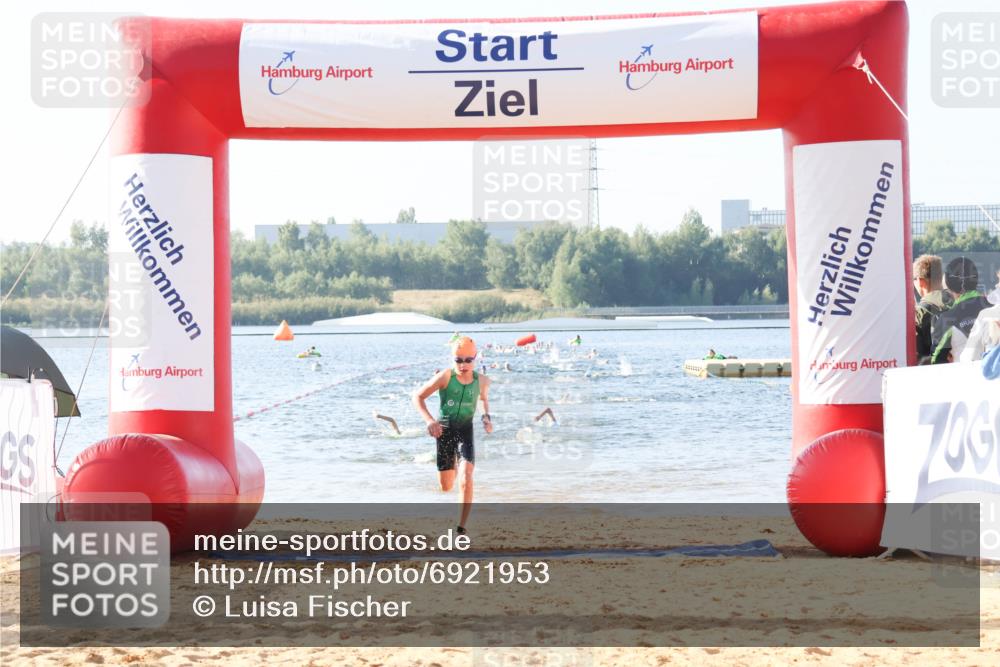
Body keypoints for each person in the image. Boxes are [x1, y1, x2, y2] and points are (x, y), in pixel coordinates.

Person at [413, 336, 492, 535]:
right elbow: (418, 397)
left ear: (476, 358)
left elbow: (483, 400)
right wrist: (430, 421)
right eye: (458, 360)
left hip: (466, 431)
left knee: (466, 477)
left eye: (468, 360)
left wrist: (486, 418)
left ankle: (461, 527)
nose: (463, 364)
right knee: (447, 486)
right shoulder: (445, 377)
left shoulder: (482, 381)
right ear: (452, 359)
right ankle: (453, 465)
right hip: (445, 431)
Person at [930, 257, 992, 364]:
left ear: (949, 286)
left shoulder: (946, 319)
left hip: (963, 378)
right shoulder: (995, 309)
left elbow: (935, 361)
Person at [912, 255, 954, 364]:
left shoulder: (920, 313)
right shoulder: (959, 302)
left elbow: (917, 356)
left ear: (920, 282)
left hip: (935, 374)